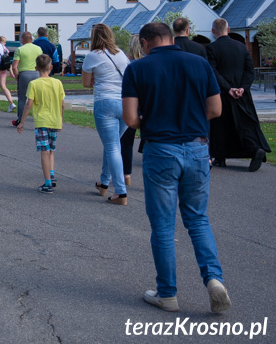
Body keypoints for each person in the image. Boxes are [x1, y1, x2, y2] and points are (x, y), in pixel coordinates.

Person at [122, 22, 230, 314]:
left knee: (163, 226)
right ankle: (214, 279)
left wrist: (154, 119)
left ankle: (167, 293)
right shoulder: (199, 63)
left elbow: (131, 119)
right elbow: (216, 110)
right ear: (171, 37)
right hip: (196, 148)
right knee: (197, 219)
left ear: (145, 42)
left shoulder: (137, 69)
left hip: (161, 149)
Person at [206, 18, 270, 171]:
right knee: (245, 125)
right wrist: (242, 88)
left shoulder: (211, 48)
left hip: (222, 93)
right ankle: (255, 149)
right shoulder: (242, 47)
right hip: (242, 95)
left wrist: (228, 89)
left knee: (220, 126)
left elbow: (213, 72)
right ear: (229, 29)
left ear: (213, 31)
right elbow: (250, 71)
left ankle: (220, 158)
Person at [82, 24, 130, 205]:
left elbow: (86, 83)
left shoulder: (93, 56)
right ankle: (103, 182)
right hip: (124, 102)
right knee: (113, 145)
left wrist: (95, 77)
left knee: (112, 147)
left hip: (105, 102)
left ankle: (120, 191)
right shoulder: (121, 54)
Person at [16, 54, 65, 193]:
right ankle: (51, 172)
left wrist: (22, 122)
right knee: (50, 150)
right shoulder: (58, 83)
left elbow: (28, 104)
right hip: (55, 120)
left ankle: (47, 183)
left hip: (42, 120)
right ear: (50, 67)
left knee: (44, 151)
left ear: (36, 68)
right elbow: (62, 104)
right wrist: (61, 120)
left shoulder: (34, 84)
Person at [120, 33, 144, 186]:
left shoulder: (130, 66)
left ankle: (126, 174)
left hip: (133, 104)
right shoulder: (150, 64)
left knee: (126, 141)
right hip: (148, 105)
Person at [11, 32, 42, 127]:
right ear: (31, 39)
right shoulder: (38, 49)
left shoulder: (20, 49)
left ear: (22, 39)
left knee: (22, 99)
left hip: (24, 74)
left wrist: (17, 77)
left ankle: (20, 120)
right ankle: (39, 119)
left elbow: (14, 66)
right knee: (37, 98)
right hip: (36, 73)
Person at [0, 35, 15, 111]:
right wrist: (11, 72)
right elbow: (7, 56)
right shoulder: (3, 47)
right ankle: (11, 103)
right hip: (3, 67)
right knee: (3, 86)